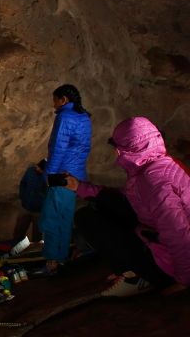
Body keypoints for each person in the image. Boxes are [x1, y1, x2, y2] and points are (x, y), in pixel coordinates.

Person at [67, 117, 190, 297]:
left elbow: (178, 233)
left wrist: (184, 281)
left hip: (172, 265)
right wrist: (80, 187)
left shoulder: (153, 181)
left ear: (125, 150)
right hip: (156, 238)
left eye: (118, 149)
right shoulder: (157, 167)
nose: (117, 154)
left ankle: (138, 276)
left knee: (87, 218)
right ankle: (135, 270)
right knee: (104, 204)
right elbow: (129, 198)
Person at [36, 84, 92, 272]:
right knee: (64, 217)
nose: (54, 105)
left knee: (53, 218)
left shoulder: (65, 117)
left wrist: (49, 174)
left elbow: (59, 148)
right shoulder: (83, 116)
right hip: (75, 174)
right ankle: (60, 256)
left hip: (61, 175)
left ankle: (53, 260)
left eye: (55, 100)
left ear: (64, 100)